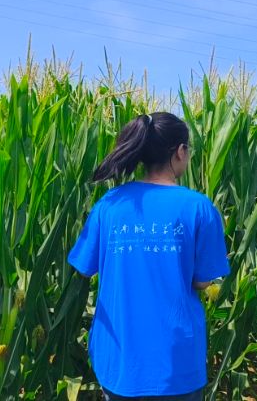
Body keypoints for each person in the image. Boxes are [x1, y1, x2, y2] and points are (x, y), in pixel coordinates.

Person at [68, 112, 230, 400]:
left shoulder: (109, 204)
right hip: (176, 363)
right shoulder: (199, 208)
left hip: (119, 359)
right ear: (180, 151)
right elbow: (202, 282)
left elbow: (84, 268)